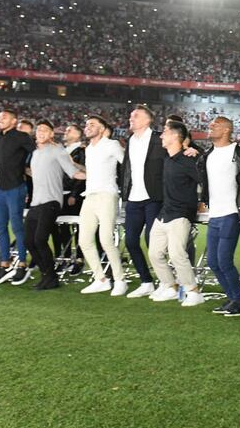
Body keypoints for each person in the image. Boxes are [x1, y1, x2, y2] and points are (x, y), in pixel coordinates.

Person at [198, 116, 240, 316]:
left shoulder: (238, 153)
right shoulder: (207, 155)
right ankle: (232, 298)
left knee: (224, 260)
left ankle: (239, 301)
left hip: (231, 212)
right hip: (214, 214)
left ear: (226, 130)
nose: (210, 126)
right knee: (213, 262)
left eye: (215, 125)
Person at [147, 119, 204, 306]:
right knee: (154, 253)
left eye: (165, 132)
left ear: (175, 136)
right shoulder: (167, 159)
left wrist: (203, 202)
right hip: (164, 213)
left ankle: (193, 292)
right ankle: (170, 287)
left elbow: (205, 179)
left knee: (177, 254)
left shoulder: (189, 160)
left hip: (181, 214)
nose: (161, 136)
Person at [24, 120, 85, 291]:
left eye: (45, 130)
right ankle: (47, 275)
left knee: (39, 239)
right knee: (28, 241)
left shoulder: (58, 150)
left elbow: (73, 172)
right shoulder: (35, 153)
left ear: (51, 134)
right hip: (36, 202)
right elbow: (35, 174)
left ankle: (51, 277)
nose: (40, 132)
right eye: (38, 130)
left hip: (51, 201)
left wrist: (94, 177)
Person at [119, 105, 168, 298]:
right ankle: (146, 281)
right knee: (131, 241)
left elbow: (176, 152)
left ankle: (166, 282)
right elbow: (126, 169)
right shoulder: (131, 140)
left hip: (153, 197)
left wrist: (190, 149)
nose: (131, 119)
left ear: (148, 120)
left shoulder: (159, 138)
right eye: (131, 116)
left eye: (136, 116)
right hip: (133, 198)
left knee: (151, 241)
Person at [78, 115, 127, 296]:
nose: (88, 127)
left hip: (107, 195)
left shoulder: (112, 145)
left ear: (102, 129)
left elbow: (127, 164)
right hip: (89, 197)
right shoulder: (89, 149)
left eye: (92, 124)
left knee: (106, 239)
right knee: (84, 241)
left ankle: (120, 280)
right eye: (86, 125)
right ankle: (101, 279)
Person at [0, 109, 36, 285]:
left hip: (16, 187)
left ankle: (22, 264)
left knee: (17, 227)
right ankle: (4, 263)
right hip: (0, 189)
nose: (0, 119)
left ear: (14, 121)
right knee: (0, 227)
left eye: (5, 117)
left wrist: (28, 168)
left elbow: (35, 153)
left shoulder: (22, 136)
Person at [56, 123, 86, 275]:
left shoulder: (82, 151)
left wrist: (74, 194)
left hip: (74, 194)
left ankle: (79, 259)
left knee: (79, 227)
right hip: (60, 192)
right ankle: (66, 257)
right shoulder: (62, 150)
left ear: (78, 134)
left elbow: (84, 174)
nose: (66, 132)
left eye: (70, 130)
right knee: (62, 228)